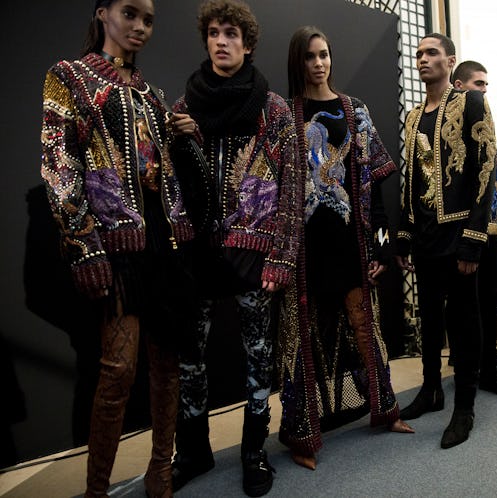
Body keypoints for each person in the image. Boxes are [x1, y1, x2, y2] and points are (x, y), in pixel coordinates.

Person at [40, 1, 200, 496]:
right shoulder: (69, 76)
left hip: (164, 241)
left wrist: (180, 143)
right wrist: (83, 244)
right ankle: (96, 490)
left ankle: (159, 472)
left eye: (148, 20)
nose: (140, 27)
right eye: (130, 14)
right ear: (103, 12)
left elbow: (163, 171)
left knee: (168, 361)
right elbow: (57, 164)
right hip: (116, 245)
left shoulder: (153, 94)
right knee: (118, 369)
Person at [170, 1, 303, 496]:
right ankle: (196, 450)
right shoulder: (184, 107)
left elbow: (292, 186)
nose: (221, 41)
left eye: (231, 34)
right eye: (213, 33)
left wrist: (282, 255)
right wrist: (181, 142)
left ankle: (254, 451)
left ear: (247, 44)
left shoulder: (272, 108)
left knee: (257, 355)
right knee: (191, 355)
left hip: (254, 250)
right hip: (198, 250)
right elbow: (172, 183)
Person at [277, 26, 413, 471]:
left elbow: (374, 192)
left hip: (351, 244)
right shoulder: (284, 114)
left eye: (325, 55)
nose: (319, 64)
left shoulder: (355, 111)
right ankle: (302, 434)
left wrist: (379, 248)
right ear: (299, 63)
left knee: (364, 328)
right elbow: (273, 188)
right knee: (301, 340)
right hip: (303, 249)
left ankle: (386, 410)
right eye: (311, 57)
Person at [396, 33, 497, 448]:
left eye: (431, 53)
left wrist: (473, 239)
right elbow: (410, 178)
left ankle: (465, 407)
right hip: (424, 234)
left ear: (450, 61)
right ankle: (431, 388)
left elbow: (486, 169)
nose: (422, 59)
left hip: (459, 233)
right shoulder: (413, 115)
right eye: (418, 54)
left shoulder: (470, 102)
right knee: (431, 318)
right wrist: (403, 235)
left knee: (463, 319)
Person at [452, 61, 497, 400]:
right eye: (478, 83)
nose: (484, 90)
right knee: (466, 306)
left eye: (486, 84)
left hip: (493, 231)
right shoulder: (449, 133)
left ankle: (488, 369)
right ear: (459, 85)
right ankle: (468, 365)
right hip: (465, 233)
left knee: (492, 301)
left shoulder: (486, 126)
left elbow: (495, 183)